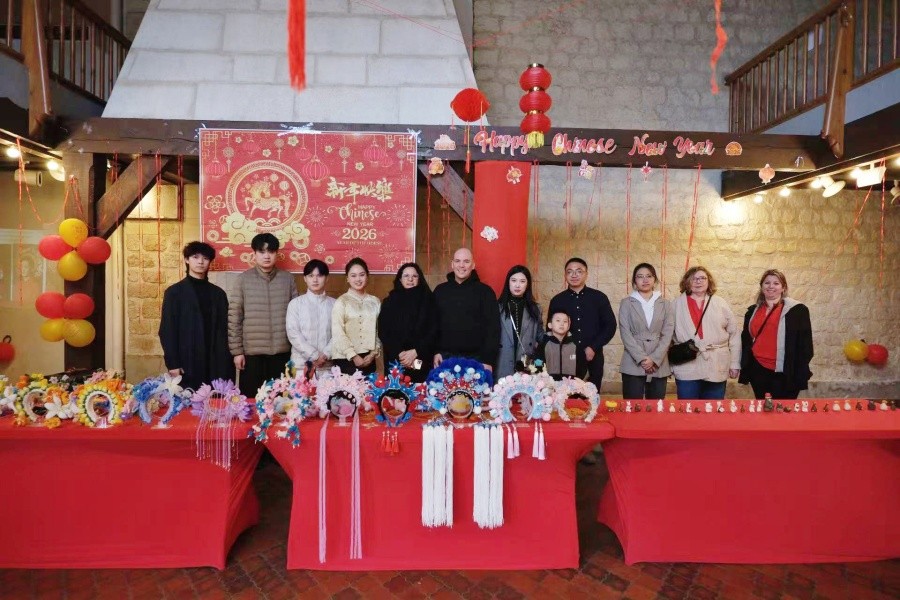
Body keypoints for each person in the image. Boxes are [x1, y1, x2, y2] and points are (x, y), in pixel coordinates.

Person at [228, 233, 298, 397]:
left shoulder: (287, 279)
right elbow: (234, 318)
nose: (267, 256)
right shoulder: (243, 280)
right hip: (252, 355)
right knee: (251, 402)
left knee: (282, 403)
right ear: (254, 254)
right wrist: (237, 352)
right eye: (262, 251)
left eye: (271, 251)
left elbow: (297, 317)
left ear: (276, 254)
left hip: (282, 353)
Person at [159, 241, 233, 390]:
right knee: (189, 400)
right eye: (195, 257)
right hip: (188, 358)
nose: (200, 261)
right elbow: (167, 330)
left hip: (216, 360)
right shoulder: (174, 293)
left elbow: (227, 329)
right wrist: (173, 363)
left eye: (205, 258)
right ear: (187, 260)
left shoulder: (218, 294)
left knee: (217, 400)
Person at [738, 269, 813, 399]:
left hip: (785, 371)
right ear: (762, 287)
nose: (771, 286)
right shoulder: (752, 311)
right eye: (767, 283)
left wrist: (798, 370)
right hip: (758, 369)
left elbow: (805, 346)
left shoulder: (797, 311)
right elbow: (746, 339)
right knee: (763, 407)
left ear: (783, 288)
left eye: (776, 283)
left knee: (783, 409)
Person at [671, 266, 741, 400]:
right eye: (694, 278)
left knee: (713, 408)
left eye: (703, 278)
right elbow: (667, 336)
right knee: (688, 407)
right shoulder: (676, 304)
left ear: (708, 281)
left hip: (716, 362)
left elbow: (734, 335)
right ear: (687, 282)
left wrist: (734, 363)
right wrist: (668, 365)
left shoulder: (720, 303)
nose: (699, 281)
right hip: (687, 363)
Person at [547, 257, 617, 387]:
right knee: (565, 394)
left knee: (592, 394)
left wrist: (593, 347)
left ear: (586, 274)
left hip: (594, 354)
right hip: (565, 356)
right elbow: (550, 330)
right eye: (569, 272)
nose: (574, 275)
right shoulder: (557, 300)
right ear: (565, 275)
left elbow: (610, 326)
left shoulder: (599, 297)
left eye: (579, 271)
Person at [432, 248, 501, 371]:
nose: (461, 265)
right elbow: (433, 325)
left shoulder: (485, 292)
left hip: (477, 360)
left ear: (473, 265)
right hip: (445, 358)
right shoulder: (440, 291)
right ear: (452, 264)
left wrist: (488, 360)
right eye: (457, 261)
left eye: (466, 261)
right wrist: (436, 351)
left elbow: (493, 328)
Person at [618, 263, 675, 400]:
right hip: (633, 361)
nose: (645, 280)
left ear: (655, 280)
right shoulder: (626, 303)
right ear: (634, 281)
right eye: (640, 277)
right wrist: (643, 359)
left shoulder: (665, 304)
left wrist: (654, 359)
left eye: (649, 276)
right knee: (632, 406)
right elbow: (625, 333)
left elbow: (668, 333)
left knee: (656, 407)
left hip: (659, 362)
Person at [377, 262, 437, 383]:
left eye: (414, 276)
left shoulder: (429, 301)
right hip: (395, 359)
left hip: (420, 359)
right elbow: (383, 331)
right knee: (396, 392)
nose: (410, 279)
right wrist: (400, 354)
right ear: (400, 279)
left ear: (419, 279)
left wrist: (415, 352)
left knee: (419, 391)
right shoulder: (389, 301)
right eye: (406, 276)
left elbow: (434, 330)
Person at [285, 259, 336, 379]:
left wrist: (326, 354)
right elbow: (293, 333)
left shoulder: (335, 304)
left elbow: (339, 334)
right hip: (300, 367)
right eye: (311, 276)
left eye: (320, 275)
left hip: (327, 368)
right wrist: (314, 355)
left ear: (327, 278)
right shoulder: (295, 304)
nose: (315, 280)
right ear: (305, 278)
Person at [331, 257, 381, 376]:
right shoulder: (341, 301)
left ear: (367, 276)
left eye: (362, 275)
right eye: (353, 276)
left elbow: (378, 330)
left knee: (369, 388)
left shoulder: (375, 302)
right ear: (347, 279)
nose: (358, 279)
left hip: (368, 359)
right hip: (345, 358)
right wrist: (353, 355)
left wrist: (373, 353)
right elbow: (337, 332)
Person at [496, 265, 543, 379]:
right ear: (508, 282)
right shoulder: (497, 307)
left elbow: (540, 336)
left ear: (527, 284)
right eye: (513, 280)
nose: (517, 285)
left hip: (525, 363)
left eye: (522, 281)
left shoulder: (535, 308)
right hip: (502, 361)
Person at [534, 308, 587, 380]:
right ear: (550, 325)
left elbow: (582, 364)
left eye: (565, 321)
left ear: (568, 326)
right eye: (558, 320)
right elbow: (537, 361)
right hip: (549, 383)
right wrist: (541, 376)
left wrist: (576, 380)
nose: (562, 324)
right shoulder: (544, 344)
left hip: (570, 384)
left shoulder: (575, 345)